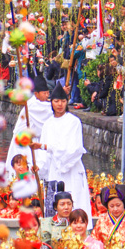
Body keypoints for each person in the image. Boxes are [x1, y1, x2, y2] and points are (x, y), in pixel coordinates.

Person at [32, 83, 92, 228]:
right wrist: (38, 167)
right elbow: (44, 155)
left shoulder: (74, 122)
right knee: (55, 202)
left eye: (63, 101)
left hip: (71, 169)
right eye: (56, 101)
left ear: (67, 102)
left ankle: (80, 230)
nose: (60, 104)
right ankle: (54, 234)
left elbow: (74, 149)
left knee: (74, 200)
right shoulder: (48, 124)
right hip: (55, 169)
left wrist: (47, 147)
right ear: (51, 103)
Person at [6, 75, 53, 180]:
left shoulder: (41, 103)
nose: (47, 96)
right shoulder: (32, 105)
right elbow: (52, 111)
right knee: (24, 172)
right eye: (44, 93)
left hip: (33, 142)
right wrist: (62, 98)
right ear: (36, 94)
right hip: (24, 142)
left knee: (37, 171)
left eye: (48, 93)